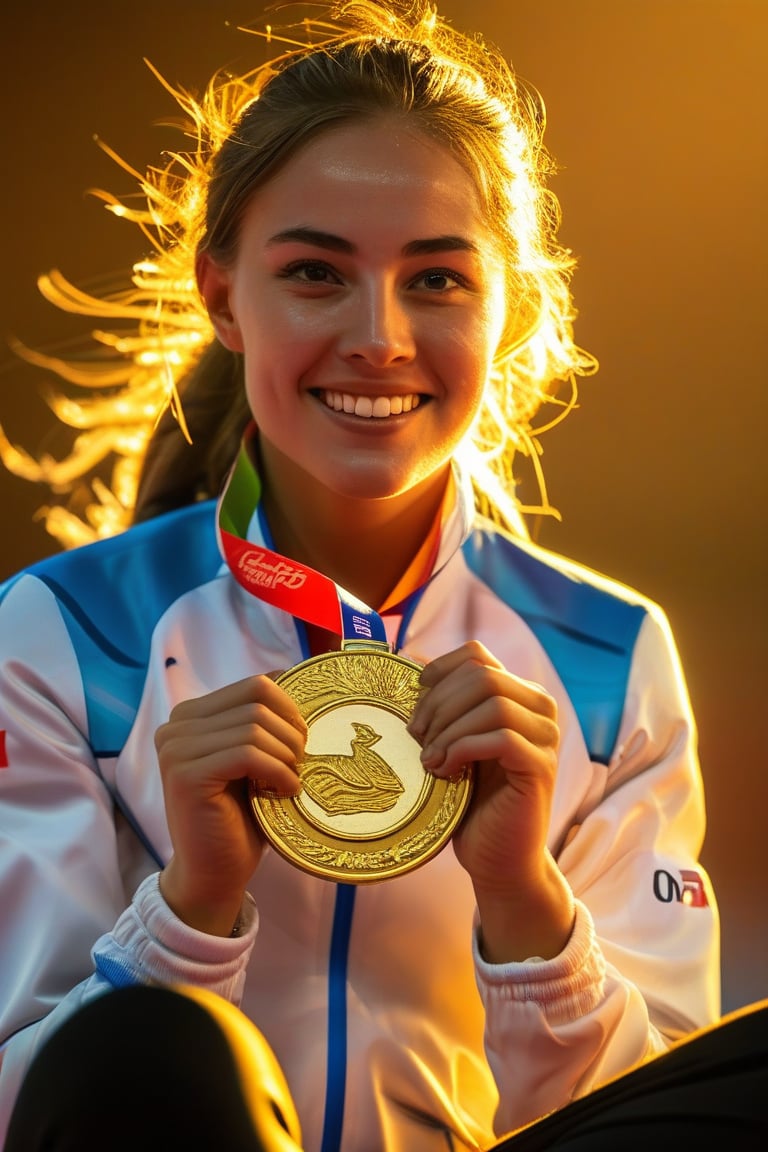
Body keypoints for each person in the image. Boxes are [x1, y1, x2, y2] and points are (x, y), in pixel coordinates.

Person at [0, 1, 764, 1149]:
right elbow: (24, 1104)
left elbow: (677, 1120)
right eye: (315, 272)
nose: (380, 337)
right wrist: (191, 909)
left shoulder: (608, 655)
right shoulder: (65, 632)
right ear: (223, 296)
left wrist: (526, 909)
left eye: (438, 280)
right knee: (160, 1052)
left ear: (510, 309)